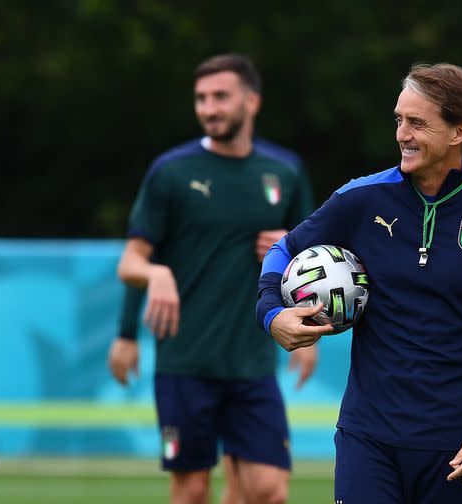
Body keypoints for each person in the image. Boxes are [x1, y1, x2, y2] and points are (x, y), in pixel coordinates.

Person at [257, 63, 462, 504]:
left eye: (417, 123)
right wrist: (272, 314)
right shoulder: (360, 198)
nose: (402, 134)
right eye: (398, 120)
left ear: (458, 131)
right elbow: (282, 250)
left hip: (457, 445)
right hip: (367, 436)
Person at [112, 53, 316, 504]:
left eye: (220, 97)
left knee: (268, 490)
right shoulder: (171, 172)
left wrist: (289, 247)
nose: (208, 108)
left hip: (252, 361)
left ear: (252, 102)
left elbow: (312, 258)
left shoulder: (285, 171)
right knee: (191, 490)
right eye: (201, 98)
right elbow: (131, 261)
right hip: (184, 362)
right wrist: (148, 288)